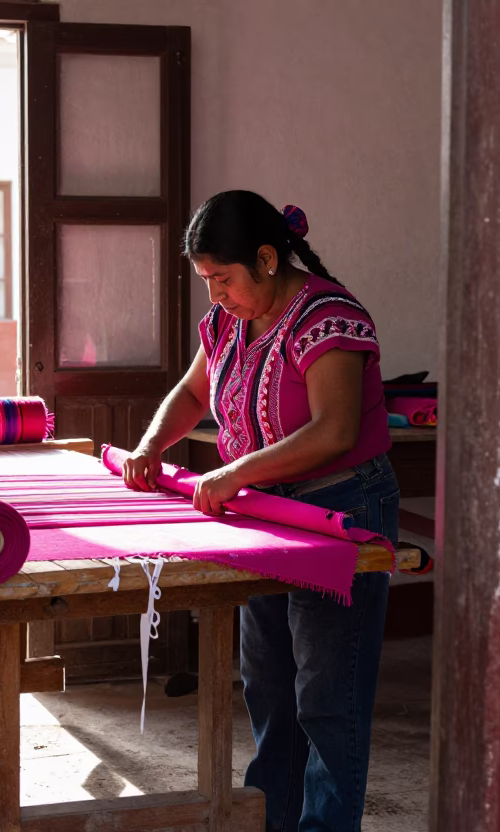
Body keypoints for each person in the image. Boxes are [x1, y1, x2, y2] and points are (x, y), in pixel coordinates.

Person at [123, 190, 398, 832]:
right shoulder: (229, 322)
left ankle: (325, 825)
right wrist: (148, 447)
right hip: (266, 513)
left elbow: (334, 432)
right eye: (206, 280)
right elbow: (195, 391)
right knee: (270, 684)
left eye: (222, 278)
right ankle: (274, 817)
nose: (214, 294)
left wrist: (234, 472)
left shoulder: (329, 316)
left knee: (328, 695)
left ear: (268, 259)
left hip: (339, 508)